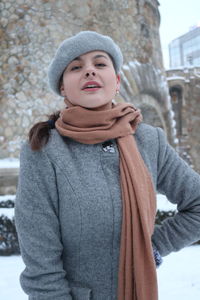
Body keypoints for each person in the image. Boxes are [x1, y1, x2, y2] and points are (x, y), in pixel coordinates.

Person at [15, 31, 200, 300]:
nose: (89, 71)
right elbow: (41, 263)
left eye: (100, 64)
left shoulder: (149, 140)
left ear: (116, 81)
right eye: (76, 67)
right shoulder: (44, 150)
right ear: (63, 87)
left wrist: (153, 248)